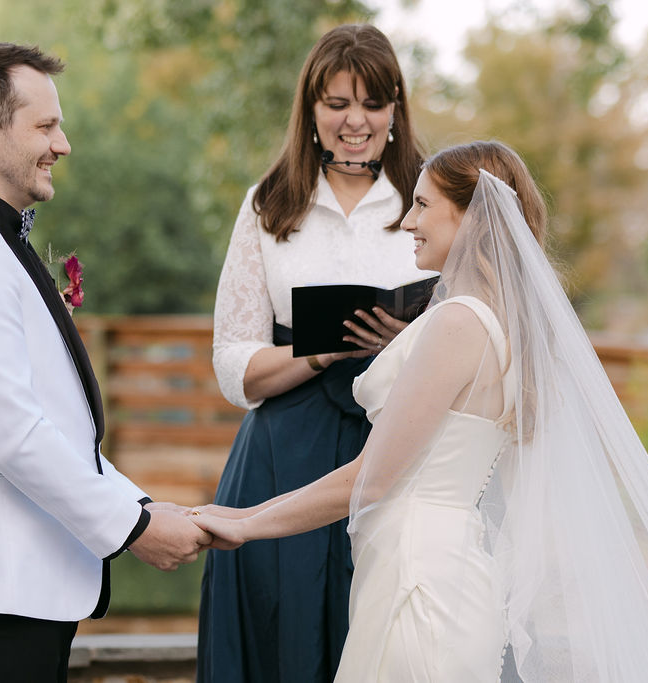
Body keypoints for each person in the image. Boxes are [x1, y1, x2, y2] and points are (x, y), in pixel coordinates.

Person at [193, 140, 648, 681]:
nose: (409, 222)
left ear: (470, 217)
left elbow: (369, 479)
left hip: (419, 582)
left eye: (421, 205)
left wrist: (243, 524)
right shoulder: (504, 323)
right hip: (443, 567)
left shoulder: (458, 322)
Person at [0, 43, 210, 682]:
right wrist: (133, 529)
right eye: (46, 126)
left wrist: (141, 506)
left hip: (8, 587)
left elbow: (49, 418)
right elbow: (12, 433)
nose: (65, 143)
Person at [199, 24, 428, 682]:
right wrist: (318, 350)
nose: (355, 121)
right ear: (311, 111)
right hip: (286, 453)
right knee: (282, 636)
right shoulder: (269, 204)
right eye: (336, 104)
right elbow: (232, 364)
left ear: (395, 110)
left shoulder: (431, 193)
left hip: (403, 434)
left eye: (372, 103)